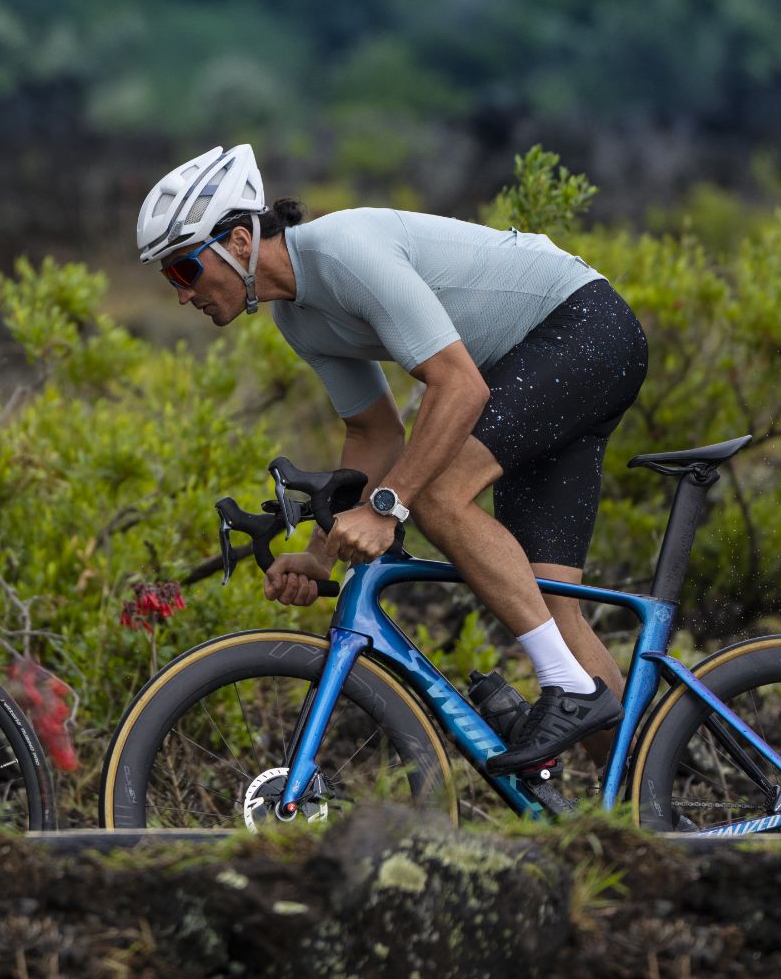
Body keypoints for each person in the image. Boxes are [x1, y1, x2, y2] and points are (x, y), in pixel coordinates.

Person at [139, 144, 647, 774]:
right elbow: (375, 436)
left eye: (184, 272)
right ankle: (640, 803)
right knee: (553, 607)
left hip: (582, 329)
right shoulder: (296, 320)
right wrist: (321, 553)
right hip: (545, 358)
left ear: (239, 240)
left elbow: (459, 388)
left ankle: (567, 689)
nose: (182, 296)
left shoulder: (341, 252)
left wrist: (388, 507)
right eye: (169, 280)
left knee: (434, 496)